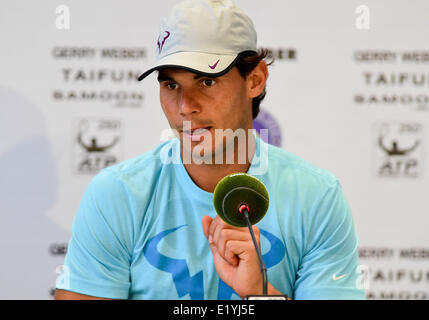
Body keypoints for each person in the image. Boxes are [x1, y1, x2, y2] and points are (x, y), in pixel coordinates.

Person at [55, 0, 365, 300]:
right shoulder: (117, 194)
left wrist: (259, 293)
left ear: (255, 80)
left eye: (207, 81)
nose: (185, 107)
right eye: (171, 85)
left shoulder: (316, 197)